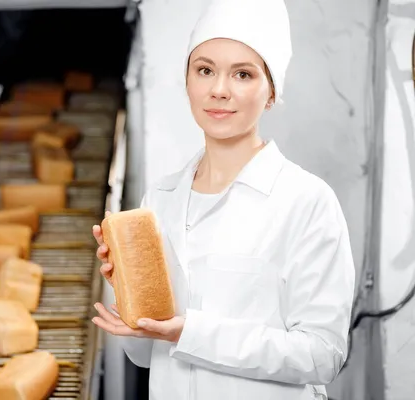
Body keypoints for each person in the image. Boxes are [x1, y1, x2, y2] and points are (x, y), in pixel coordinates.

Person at [91, 0, 356, 399]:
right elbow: (147, 356)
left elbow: (323, 354)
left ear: (271, 93)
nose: (218, 90)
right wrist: (127, 294)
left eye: (243, 74)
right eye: (205, 70)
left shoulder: (306, 202)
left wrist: (191, 331)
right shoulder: (159, 200)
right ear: (188, 81)